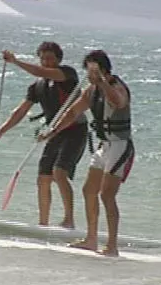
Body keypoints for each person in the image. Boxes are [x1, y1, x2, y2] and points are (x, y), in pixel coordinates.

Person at [37, 50, 134, 257]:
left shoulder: (117, 87)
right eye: (88, 70)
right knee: (89, 190)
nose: (89, 75)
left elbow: (118, 102)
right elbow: (72, 112)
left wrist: (102, 82)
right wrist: (52, 131)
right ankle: (91, 239)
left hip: (120, 146)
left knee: (107, 195)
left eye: (93, 70)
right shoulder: (91, 91)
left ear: (103, 70)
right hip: (103, 146)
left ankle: (112, 246)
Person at [0, 42, 89, 229]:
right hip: (52, 133)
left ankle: (69, 221)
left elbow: (39, 72)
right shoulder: (37, 86)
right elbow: (20, 111)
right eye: (43, 58)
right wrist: (0, 132)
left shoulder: (67, 74)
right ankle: (43, 224)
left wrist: (15, 61)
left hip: (75, 131)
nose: (46, 62)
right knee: (43, 178)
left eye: (50, 58)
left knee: (59, 173)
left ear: (59, 59)